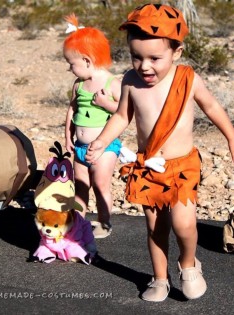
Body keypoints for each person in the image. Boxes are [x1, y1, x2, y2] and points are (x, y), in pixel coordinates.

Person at [86, 3, 234, 302]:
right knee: (156, 228)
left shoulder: (187, 79)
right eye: (136, 57)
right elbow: (121, 117)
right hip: (148, 168)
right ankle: (160, 278)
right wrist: (101, 141)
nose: (145, 66)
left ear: (176, 52)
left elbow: (213, 107)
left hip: (182, 166)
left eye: (155, 58)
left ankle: (189, 264)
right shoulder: (130, 81)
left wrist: (231, 135)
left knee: (184, 224)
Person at [63, 14, 122, 238]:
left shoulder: (111, 83)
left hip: (105, 147)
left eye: (72, 65)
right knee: (80, 185)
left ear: (87, 61)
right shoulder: (79, 84)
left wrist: (106, 103)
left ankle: (105, 222)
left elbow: (124, 112)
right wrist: (68, 137)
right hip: (80, 146)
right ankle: (78, 221)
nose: (70, 69)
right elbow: (72, 110)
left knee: (100, 183)